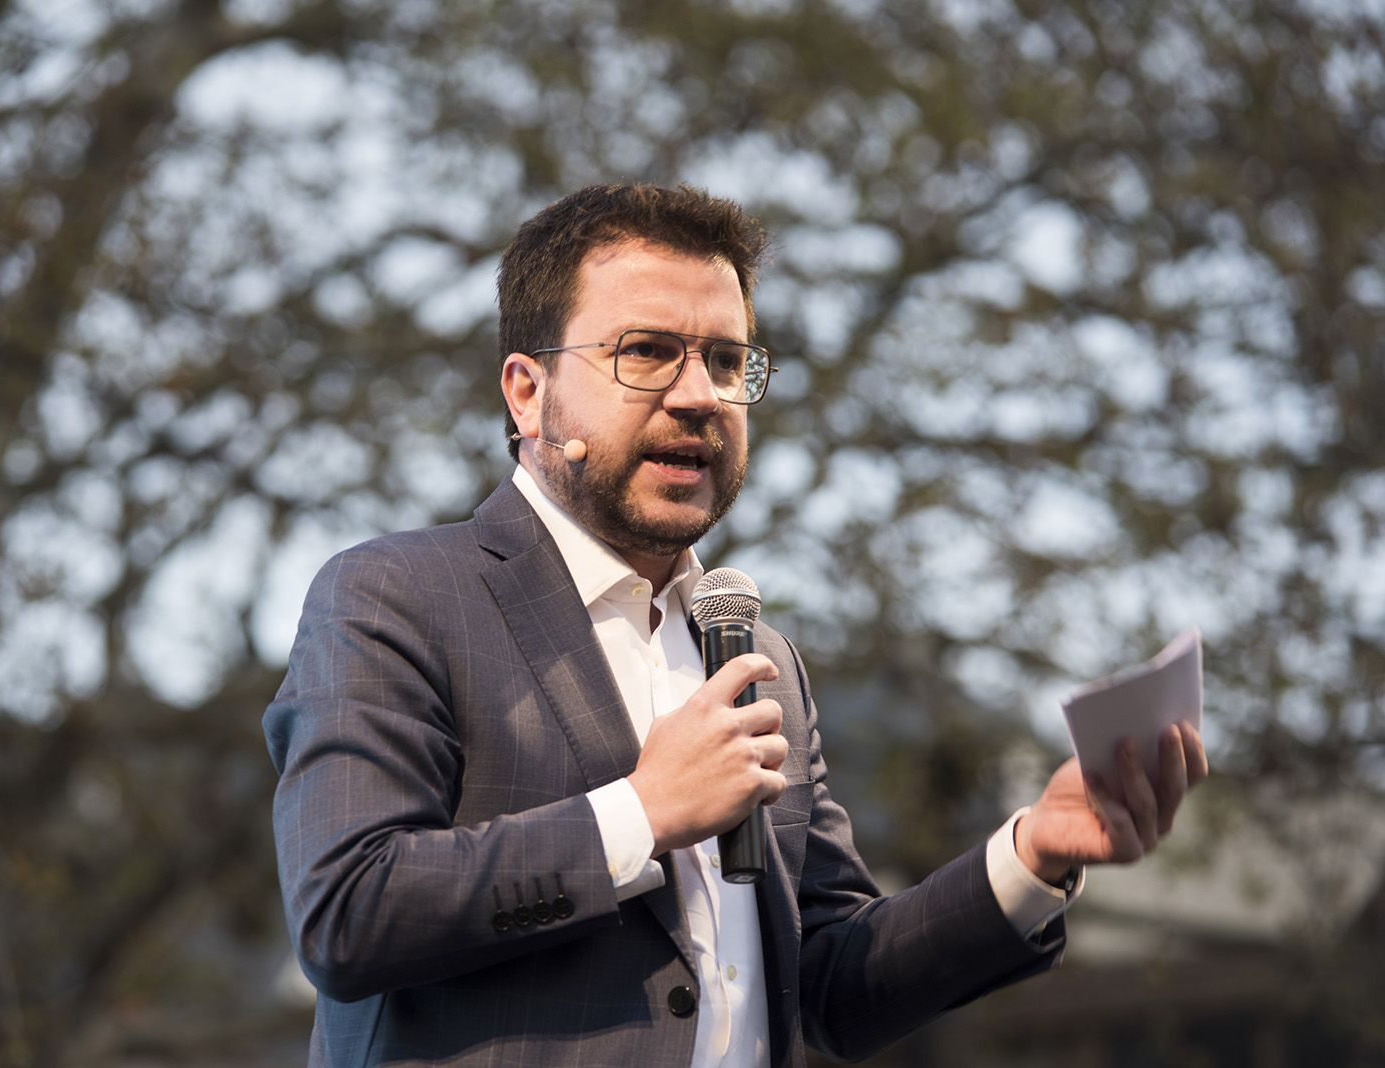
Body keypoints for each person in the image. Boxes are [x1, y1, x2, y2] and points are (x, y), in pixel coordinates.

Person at [264, 183, 1209, 1067]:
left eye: (726, 359)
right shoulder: (396, 597)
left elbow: (833, 982)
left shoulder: (759, 657)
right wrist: (641, 814)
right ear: (526, 392)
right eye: (645, 351)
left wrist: (1032, 855)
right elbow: (349, 911)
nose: (698, 395)